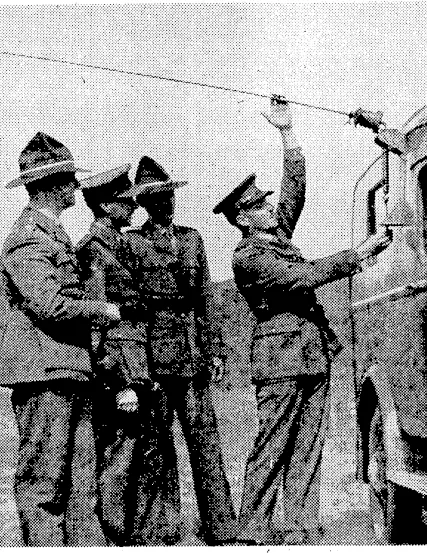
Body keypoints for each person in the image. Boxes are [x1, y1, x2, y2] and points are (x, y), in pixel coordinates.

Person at [213, 98, 391, 545]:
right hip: (280, 360)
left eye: (266, 204)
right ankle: (251, 530)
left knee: (310, 444)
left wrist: (286, 132)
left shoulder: (274, 236)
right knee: (273, 444)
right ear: (241, 218)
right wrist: (359, 254)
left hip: (310, 355)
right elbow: (303, 277)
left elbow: (295, 186)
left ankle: (297, 525)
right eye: (258, 207)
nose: (270, 208)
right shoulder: (249, 257)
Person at [0, 132, 121, 546]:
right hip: (45, 376)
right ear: (51, 186)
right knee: (45, 484)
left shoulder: (50, 234)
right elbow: (49, 304)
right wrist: (102, 310)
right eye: (69, 178)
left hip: (68, 371)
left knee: (80, 484)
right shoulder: (28, 238)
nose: (75, 187)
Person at [124, 156, 238, 545]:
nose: (165, 203)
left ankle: (221, 527)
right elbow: (130, 307)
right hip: (156, 356)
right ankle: (162, 530)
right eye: (155, 198)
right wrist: (138, 364)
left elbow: (206, 298)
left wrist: (216, 351)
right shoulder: (131, 244)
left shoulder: (193, 239)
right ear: (143, 205)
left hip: (193, 352)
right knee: (156, 443)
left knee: (206, 441)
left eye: (168, 195)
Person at [75, 164, 180, 545]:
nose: (134, 207)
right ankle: (119, 538)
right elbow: (97, 324)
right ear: (104, 205)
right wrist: (120, 382)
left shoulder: (118, 245)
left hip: (140, 367)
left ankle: (145, 535)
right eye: (124, 200)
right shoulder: (92, 252)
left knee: (144, 455)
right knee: (119, 461)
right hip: (122, 374)